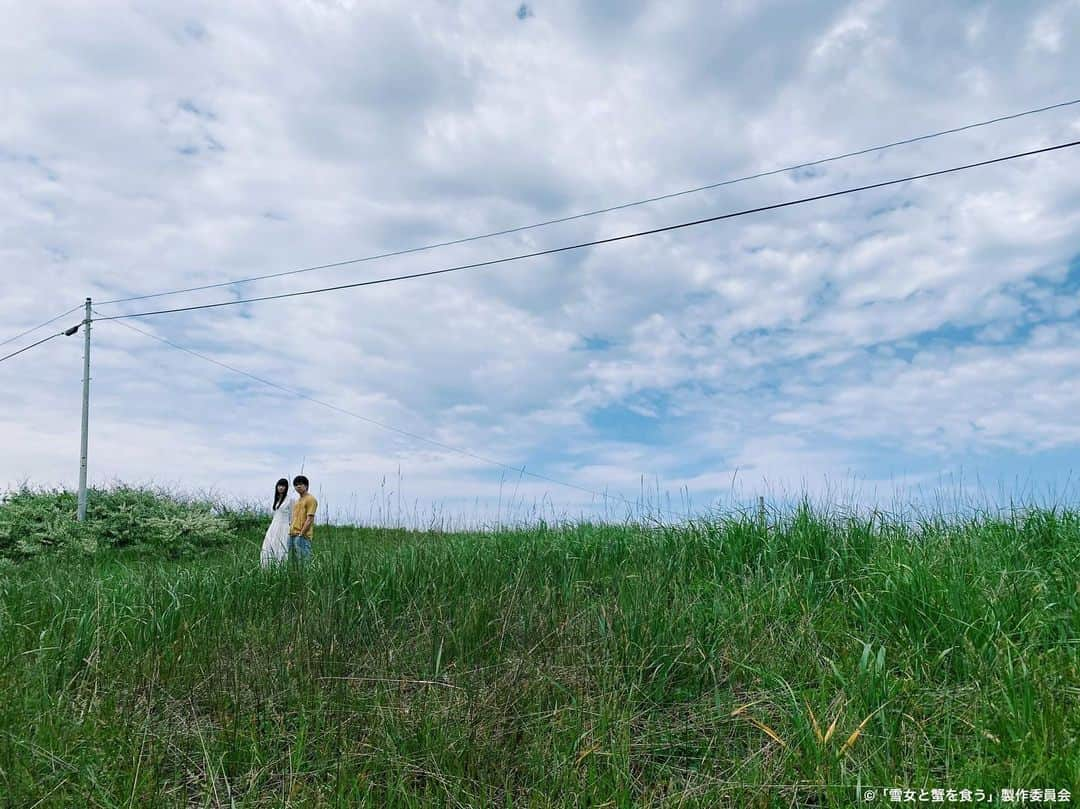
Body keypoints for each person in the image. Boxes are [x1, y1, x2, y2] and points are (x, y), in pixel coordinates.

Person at [259, 478, 294, 567]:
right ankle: (267, 569)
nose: (281, 488)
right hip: (273, 526)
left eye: (283, 486)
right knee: (267, 547)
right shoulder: (277, 499)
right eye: (279, 485)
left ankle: (281, 570)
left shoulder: (290, 500)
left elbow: (292, 517)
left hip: (284, 527)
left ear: (286, 487)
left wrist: (291, 530)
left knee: (280, 549)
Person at [288, 474, 318, 562]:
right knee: (293, 562)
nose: (298, 486)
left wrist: (301, 534)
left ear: (306, 485)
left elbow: (310, 519)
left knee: (304, 562)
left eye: (301, 484)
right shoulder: (297, 501)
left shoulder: (311, 499)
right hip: (292, 534)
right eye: (296, 485)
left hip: (302, 536)